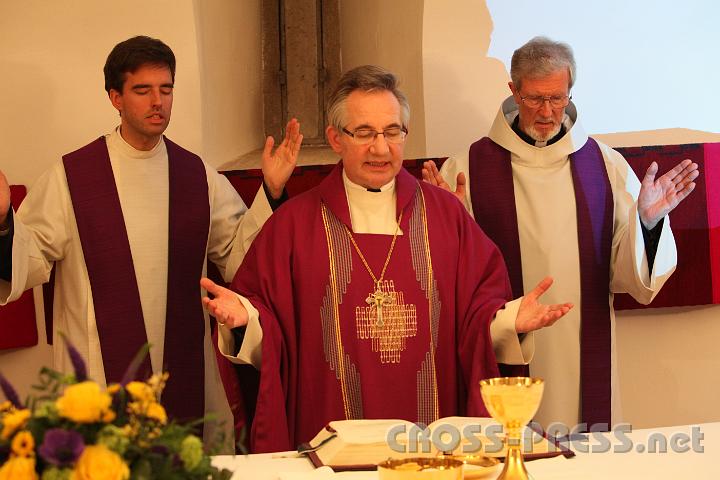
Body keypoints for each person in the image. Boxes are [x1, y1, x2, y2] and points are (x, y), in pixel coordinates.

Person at [200, 65, 573, 452]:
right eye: (364, 133)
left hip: (433, 446)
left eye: (392, 132)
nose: (381, 148)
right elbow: (274, 333)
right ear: (335, 138)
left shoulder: (447, 217)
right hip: (329, 447)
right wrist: (245, 321)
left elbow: (476, 319)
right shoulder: (294, 226)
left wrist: (512, 320)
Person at [0, 36, 302, 447]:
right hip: (99, 380)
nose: (157, 101)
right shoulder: (73, 177)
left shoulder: (196, 176)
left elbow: (240, 259)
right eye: (142, 90)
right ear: (115, 97)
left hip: (184, 377)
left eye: (166, 89)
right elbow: (29, 258)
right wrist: (3, 221)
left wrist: (269, 190)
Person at [422, 36, 699, 432]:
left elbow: (631, 277)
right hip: (505, 346)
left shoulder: (605, 166)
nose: (548, 112)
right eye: (535, 98)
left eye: (558, 98)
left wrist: (649, 223)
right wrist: (446, 217)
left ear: (570, 92)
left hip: (582, 348)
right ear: (513, 90)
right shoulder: (468, 166)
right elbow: (450, 280)